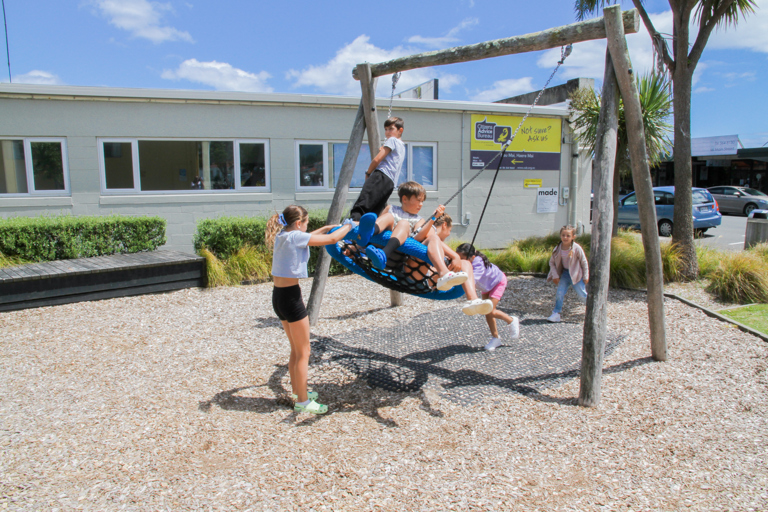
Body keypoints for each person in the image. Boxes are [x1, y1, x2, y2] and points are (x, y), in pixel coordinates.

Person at [265, 205, 354, 414]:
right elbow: (332, 241)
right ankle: (303, 402)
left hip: (278, 297)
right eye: (306, 223)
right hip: (291, 299)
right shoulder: (295, 237)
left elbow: (307, 236)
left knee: (296, 350)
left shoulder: (283, 236)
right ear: (298, 224)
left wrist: (325, 227)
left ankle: (298, 392)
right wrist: (349, 226)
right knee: (304, 351)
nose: (307, 227)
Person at [355, 180, 468, 292]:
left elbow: (418, 238)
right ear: (404, 199)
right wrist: (351, 232)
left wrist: (433, 218)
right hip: (377, 248)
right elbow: (380, 223)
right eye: (419, 200)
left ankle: (444, 273)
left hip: (397, 256)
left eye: (422, 201)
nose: (421, 204)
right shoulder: (391, 209)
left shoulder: (419, 220)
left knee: (404, 224)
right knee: (388, 217)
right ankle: (367, 237)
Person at [456, 243, 520, 351]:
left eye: (462, 259)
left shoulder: (478, 264)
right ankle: (496, 338)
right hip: (486, 286)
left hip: (497, 282)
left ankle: (511, 320)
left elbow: (471, 281)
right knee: (486, 311)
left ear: (472, 257)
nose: (460, 261)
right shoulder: (469, 261)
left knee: (490, 310)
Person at [349, 117, 406, 222]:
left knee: (362, 204)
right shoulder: (402, 146)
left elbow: (377, 159)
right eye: (386, 129)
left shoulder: (392, 140)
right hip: (390, 183)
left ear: (400, 130)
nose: (387, 132)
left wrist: (368, 173)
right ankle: (365, 235)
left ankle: (351, 229)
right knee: (374, 210)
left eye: (391, 129)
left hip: (381, 176)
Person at [546, 225, 589, 323]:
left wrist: (586, 276)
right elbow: (552, 262)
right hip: (565, 274)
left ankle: (591, 310)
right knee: (559, 293)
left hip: (576, 275)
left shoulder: (576, 248)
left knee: (582, 294)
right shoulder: (557, 248)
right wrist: (555, 276)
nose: (565, 237)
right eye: (563, 235)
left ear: (573, 237)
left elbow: (584, 262)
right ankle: (556, 313)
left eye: (568, 236)